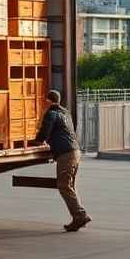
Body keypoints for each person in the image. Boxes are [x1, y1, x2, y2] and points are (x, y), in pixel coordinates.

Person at [35, 90, 91, 232]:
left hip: (66, 154)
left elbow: (45, 132)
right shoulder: (65, 113)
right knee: (69, 185)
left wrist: (38, 141)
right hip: (74, 151)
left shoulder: (51, 113)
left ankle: (80, 215)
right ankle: (79, 216)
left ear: (48, 101)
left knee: (64, 185)